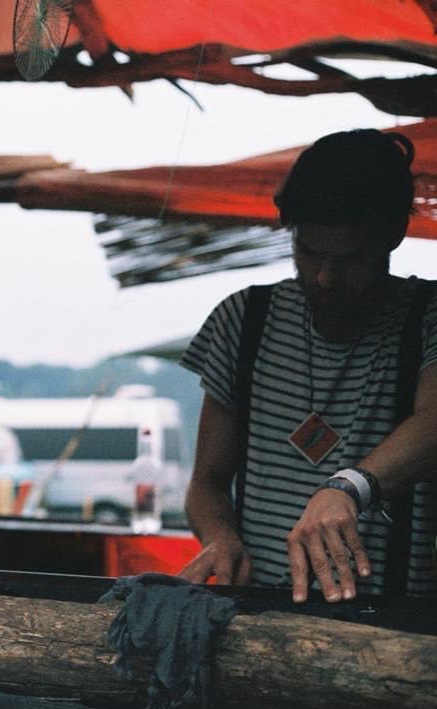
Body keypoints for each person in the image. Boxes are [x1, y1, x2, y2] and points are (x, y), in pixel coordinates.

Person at [178, 128, 437, 602]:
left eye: (349, 259)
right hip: (260, 616)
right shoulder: (243, 320)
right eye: (309, 252)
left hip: (398, 626)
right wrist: (220, 538)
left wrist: (347, 488)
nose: (325, 278)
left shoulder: (428, 317)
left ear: (394, 235)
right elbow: (207, 482)